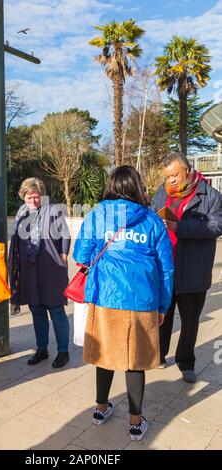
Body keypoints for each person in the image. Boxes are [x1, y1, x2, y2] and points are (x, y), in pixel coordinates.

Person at [73, 166, 173, 441]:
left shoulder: (96, 215)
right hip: (141, 300)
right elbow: (166, 269)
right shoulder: (153, 222)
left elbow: (80, 255)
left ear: (111, 186)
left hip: (105, 297)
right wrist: (162, 306)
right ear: (138, 187)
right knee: (135, 361)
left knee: (104, 356)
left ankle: (100, 409)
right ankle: (135, 421)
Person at [151, 152, 222, 383]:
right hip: (166, 268)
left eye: (174, 175)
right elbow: (152, 212)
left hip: (193, 269)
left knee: (190, 321)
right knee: (162, 316)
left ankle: (186, 362)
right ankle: (159, 354)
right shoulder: (163, 192)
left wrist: (179, 226)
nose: (171, 180)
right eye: (167, 176)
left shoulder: (210, 195)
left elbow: (216, 226)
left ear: (188, 171)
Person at [9, 178, 71, 368]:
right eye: (29, 197)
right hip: (29, 268)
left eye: (36, 196)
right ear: (23, 196)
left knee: (56, 310)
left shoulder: (53, 210)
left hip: (51, 266)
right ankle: (41, 349)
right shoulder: (21, 212)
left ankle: (63, 351)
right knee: (36, 310)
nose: (33, 200)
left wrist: (63, 254)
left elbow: (65, 234)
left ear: (41, 196)